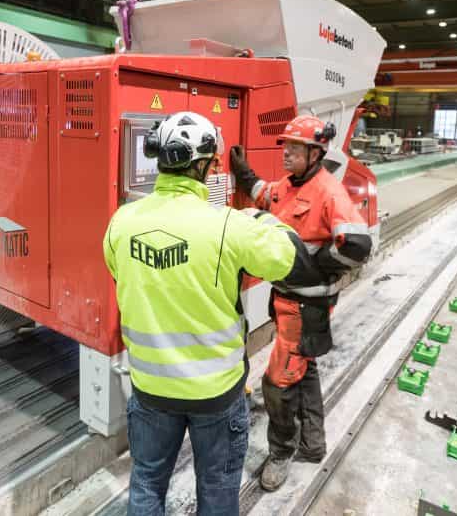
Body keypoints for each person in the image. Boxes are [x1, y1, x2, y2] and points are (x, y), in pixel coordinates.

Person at [103, 111, 324, 515]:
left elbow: (123, 274)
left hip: (150, 390)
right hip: (215, 395)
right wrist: (262, 219)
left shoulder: (121, 222)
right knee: (218, 489)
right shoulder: (229, 225)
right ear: (203, 165)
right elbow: (290, 259)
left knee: (148, 482)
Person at [229, 115, 372, 492]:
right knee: (302, 369)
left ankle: (280, 452)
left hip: (306, 307)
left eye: (294, 148)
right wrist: (242, 173)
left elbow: (357, 245)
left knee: (277, 382)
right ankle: (312, 444)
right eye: (285, 147)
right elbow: (263, 192)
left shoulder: (328, 191)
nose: (286, 154)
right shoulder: (286, 187)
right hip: (285, 301)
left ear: (315, 153)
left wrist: (315, 266)